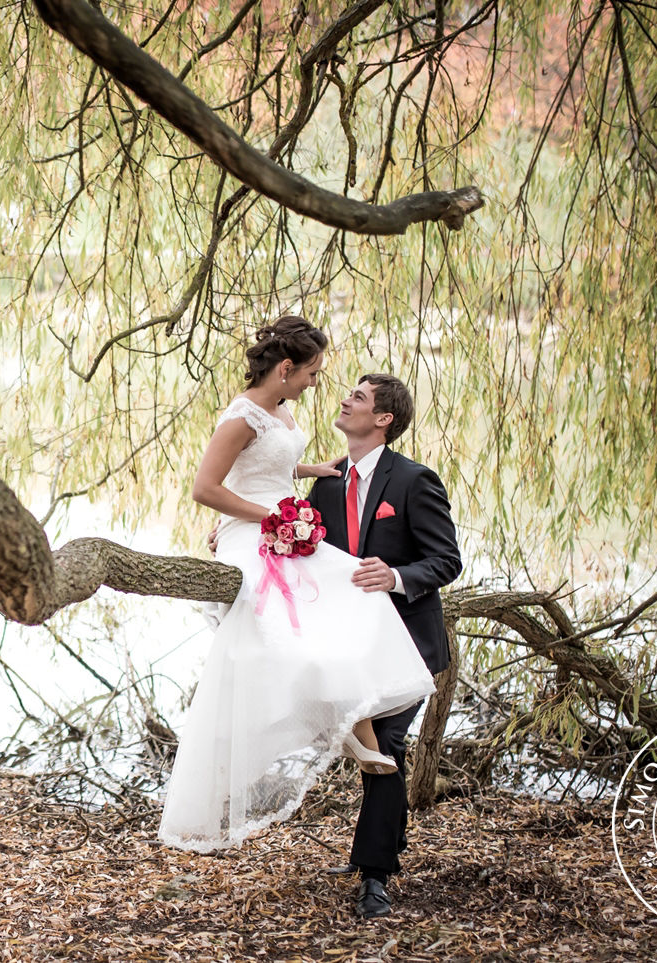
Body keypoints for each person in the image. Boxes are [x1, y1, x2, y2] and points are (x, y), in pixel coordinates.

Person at [157, 316, 438, 881]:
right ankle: (343, 731)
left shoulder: (404, 477)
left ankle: (372, 842)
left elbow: (274, 465)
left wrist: (310, 477)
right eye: (312, 373)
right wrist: (276, 517)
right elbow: (211, 488)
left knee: (349, 588)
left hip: (329, 563)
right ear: (286, 369)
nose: (318, 385)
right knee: (294, 630)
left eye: (345, 388)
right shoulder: (254, 427)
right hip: (262, 532)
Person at [308, 372, 462, 919]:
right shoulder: (326, 484)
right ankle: (383, 845)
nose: (345, 399)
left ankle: (375, 876)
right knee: (369, 746)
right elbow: (305, 551)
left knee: (385, 747)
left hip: (407, 644)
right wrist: (246, 535)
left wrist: (393, 575)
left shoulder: (415, 481)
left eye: (360, 397)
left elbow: (446, 560)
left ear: (383, 420)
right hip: (349, 647)